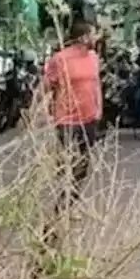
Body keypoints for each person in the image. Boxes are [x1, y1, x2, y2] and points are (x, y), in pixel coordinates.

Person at [44, 21, 103, 205]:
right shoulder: (60, 59)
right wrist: (38, 112)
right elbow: (46, 85)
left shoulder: (93, 57)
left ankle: (68, 200)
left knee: (83, 164)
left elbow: (96, 84)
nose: (96, 38)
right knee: (69, 161)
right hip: (67, 118)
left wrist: (99, 107)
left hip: (89, 117)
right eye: (94, 34)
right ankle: (63, 203)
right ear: (83, 37)